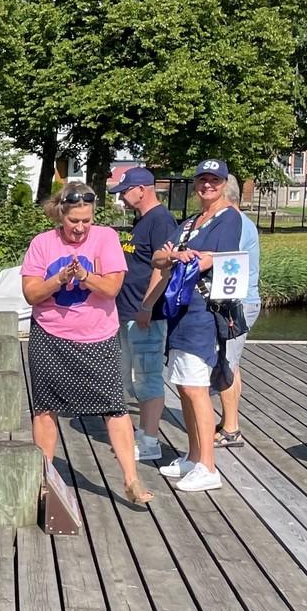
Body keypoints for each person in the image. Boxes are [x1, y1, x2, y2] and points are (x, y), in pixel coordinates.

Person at [21, 185, 153, 505]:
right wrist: (59, 278)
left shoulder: (105, 238)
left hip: (98, 338)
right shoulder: (42, 243)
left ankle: (131, 480)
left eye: (86, 220)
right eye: (74, 221)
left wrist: (84, 275)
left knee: (115, 408)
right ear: (60, 215)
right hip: (50, 337)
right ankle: (44, 477)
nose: (80, 227)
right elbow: (31, 294)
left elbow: (111, 288)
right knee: (44, 409)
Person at [156, 159, 243, 493]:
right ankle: (193, 456)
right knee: (182, 386)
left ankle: (208, 465)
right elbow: (159, 258)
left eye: (215, 180)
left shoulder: (229, 218)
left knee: (195, 388)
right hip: (179, 308)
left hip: (203, 311)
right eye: (203, 180)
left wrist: (182, 254)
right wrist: (179, 255)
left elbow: (212, 258)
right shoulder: (191, 221)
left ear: (224, 184)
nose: (208, 186)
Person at [110, 167, 177, 463]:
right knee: (131, 377)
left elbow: (162, 267)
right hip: (128, 311)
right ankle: (141, 433)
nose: (122, 198)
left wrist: (147, 306)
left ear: (142, 189)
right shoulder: (142, 222)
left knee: (148, 376)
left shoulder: (161, 221)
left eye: (125, 191)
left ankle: (150, 441)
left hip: (145, 313)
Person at [213, 175, 261, 450]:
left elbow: (225, 261)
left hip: (237, 304)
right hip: (240, 301)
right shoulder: (241, 223)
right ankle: (228, 420)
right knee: (231, 361)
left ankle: (231, 429)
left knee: (226, 364)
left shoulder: (237, 224)